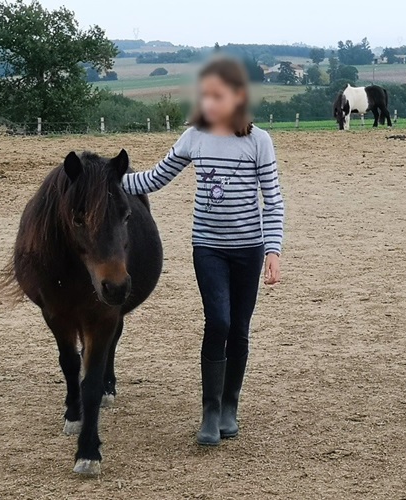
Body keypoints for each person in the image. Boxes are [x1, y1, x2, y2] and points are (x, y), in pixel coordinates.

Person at [122, 56, 284, 446]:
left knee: (240, 330)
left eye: (218, 95)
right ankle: (210, 411)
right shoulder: (194, 136)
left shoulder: (258, 141)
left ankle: (230, 405)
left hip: (249, 249)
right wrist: (107, 177)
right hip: (208, 247)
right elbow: (156, 177)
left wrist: (273, 251)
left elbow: (273, 201)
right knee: (220, 322)